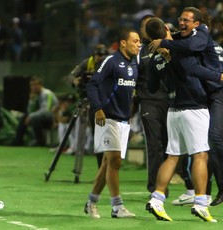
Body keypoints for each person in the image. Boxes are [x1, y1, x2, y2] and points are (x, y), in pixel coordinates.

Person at [149, 7, 223, 207]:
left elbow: (192, 62)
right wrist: (164, 42)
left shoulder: (201, 35)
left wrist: (165, 43)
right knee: (206, 145)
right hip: (207, 95)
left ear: (197, 24)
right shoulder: (185, 39)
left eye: (186, 20)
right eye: (180, 19)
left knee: (215, 136)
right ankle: (216, 189)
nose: (181, 23)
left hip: (220, 92)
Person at [83, 27, 141, 219]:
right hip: (107, 117)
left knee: (109, 163)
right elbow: (92, 84)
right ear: (123, 43)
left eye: (140, 41)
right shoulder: (110, 61)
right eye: (135, 41)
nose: (138, 44)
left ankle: (91, 202)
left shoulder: (134, 65)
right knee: (115, 161)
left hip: (123, 120)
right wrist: (98, 108)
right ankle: (117, 206)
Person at [135, 15, 169, 194]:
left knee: (170, 145)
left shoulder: (170, 45)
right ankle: (155, 188)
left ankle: (184, 184)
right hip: (149, 102)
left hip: (170, 101)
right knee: (155, 145)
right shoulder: (139, 52)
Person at [66, 43, 109, 167]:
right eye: (98, 55)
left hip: (104, 101)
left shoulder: (110, 64)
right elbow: (69, 77)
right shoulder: (86, 63)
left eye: (103, 55)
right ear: (94, 55)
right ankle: (100, 167)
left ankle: (104, 167)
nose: (101, 58)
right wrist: (75, 81)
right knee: (97, 135)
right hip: (88, 100)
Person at [12, 76, 58, 146]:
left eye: (35, 85)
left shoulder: (46, 94)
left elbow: (46, 110)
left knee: (34, 118)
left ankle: (40, 142)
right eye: (31, 85)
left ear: (40, 85)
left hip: (53, 117)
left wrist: (31, 116)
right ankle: (18, 140)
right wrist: (31, 101)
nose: (33, 87)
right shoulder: (37, 95)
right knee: (24, 116)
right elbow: (29, 111)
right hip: (43, 117)